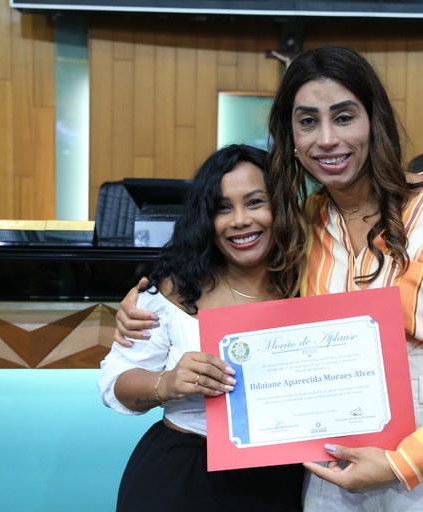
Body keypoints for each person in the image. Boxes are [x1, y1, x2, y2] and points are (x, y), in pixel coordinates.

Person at [116, 46, 423, 511]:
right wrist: (148, 304)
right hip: (324, 478)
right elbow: (228, 270)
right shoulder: (302, 224)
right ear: (290, 137)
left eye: (344, 117)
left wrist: (405, 461)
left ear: (374, 121)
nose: (327, 139)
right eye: (308, 122)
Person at [98, 144, 304, 512]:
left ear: (282, 206)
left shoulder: (314, 283)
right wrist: (168, 382)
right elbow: (115, 381)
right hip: (183, 475)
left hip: (286, 479)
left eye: (255, 202)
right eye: (222, 208)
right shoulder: (173, 290)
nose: (239, 220)